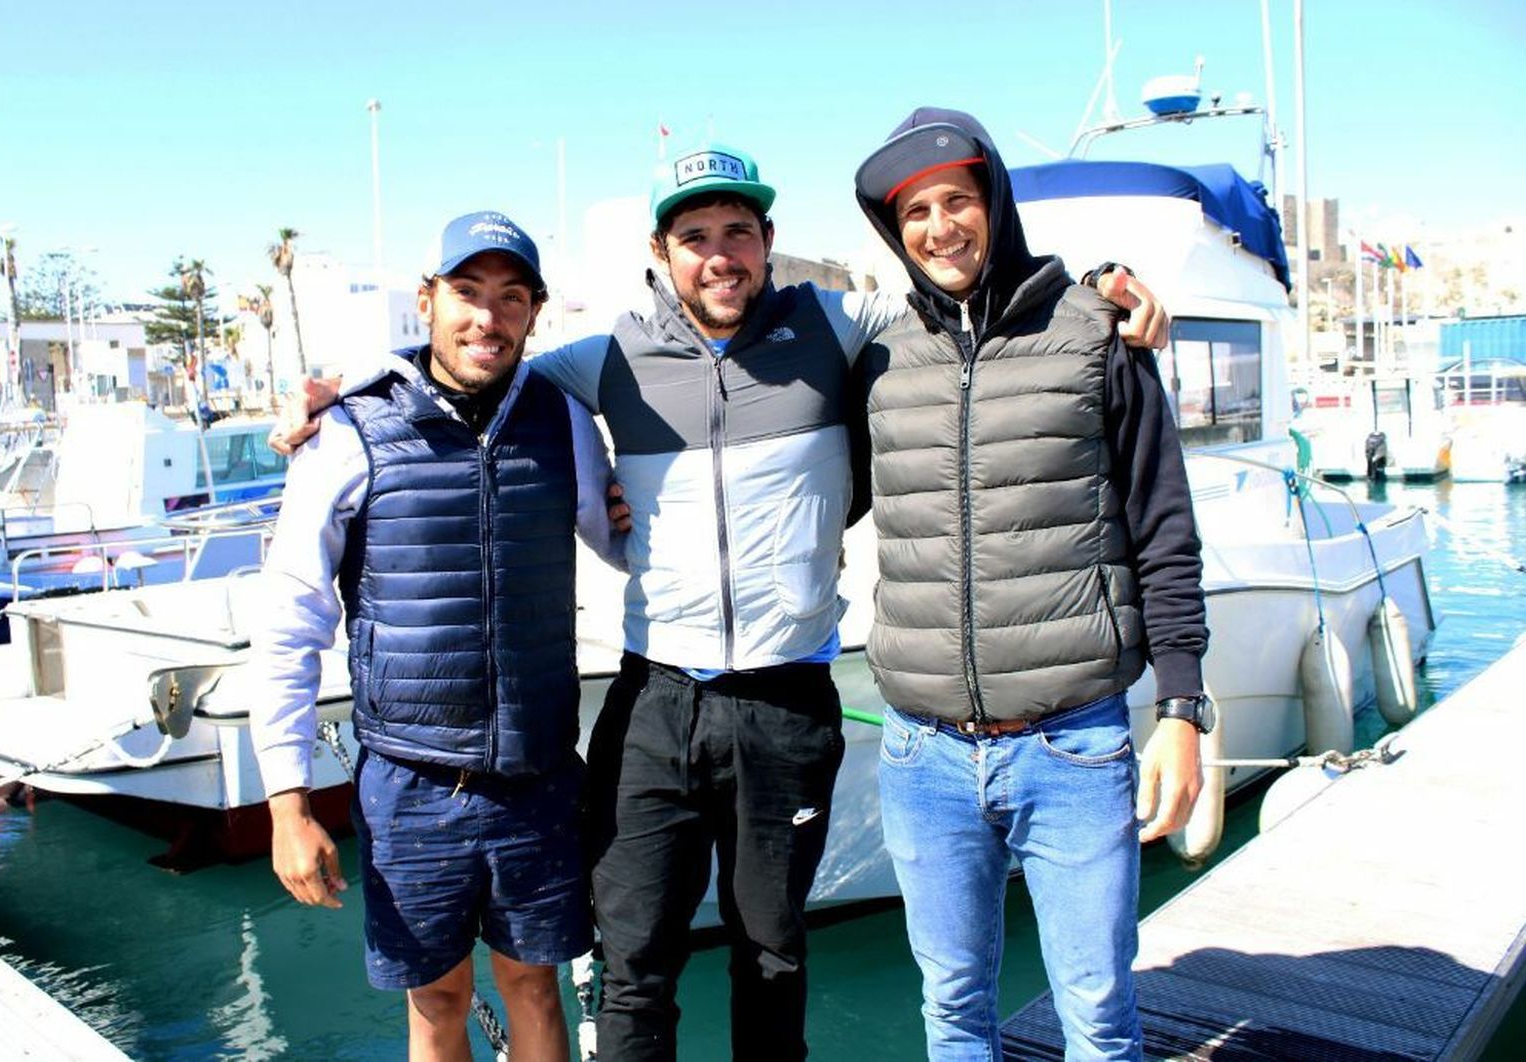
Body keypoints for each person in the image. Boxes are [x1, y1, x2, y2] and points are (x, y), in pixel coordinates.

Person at [268, 144, 1169, 1062]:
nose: (720, 254)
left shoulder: (840, 323)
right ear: (663, 252)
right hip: (655, 700)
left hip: (788, 702)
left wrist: (1098, 290)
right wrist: (346, 391)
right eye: (695, 235)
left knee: (773, 958)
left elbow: (963, 299)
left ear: (769, 241)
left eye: (738, 231)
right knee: (633, 965)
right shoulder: (604, 358)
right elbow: (471, 367)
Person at [851, 107, 1210, 1060]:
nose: (938, 227)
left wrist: (1181, 708)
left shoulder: (1097, 334)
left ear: (994, 202)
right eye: (915, 211)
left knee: (1097, 1010)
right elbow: (811, 485)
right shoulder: (882, 364)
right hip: (921, 753)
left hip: (1073, 745)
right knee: (953, 1004)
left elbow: (1165, 527)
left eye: (956, 200)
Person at [247, 211, 627, 1062]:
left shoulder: (562, 421)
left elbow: (620, 544)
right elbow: (289, 622)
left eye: (510, 297)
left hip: (538, 775)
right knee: (437, 1002)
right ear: (426, 301)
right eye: (466, 293)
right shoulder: (348, 430)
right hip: (412, 783)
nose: (485, 318)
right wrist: (286, 801)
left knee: (536, 984)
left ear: (534, 312)